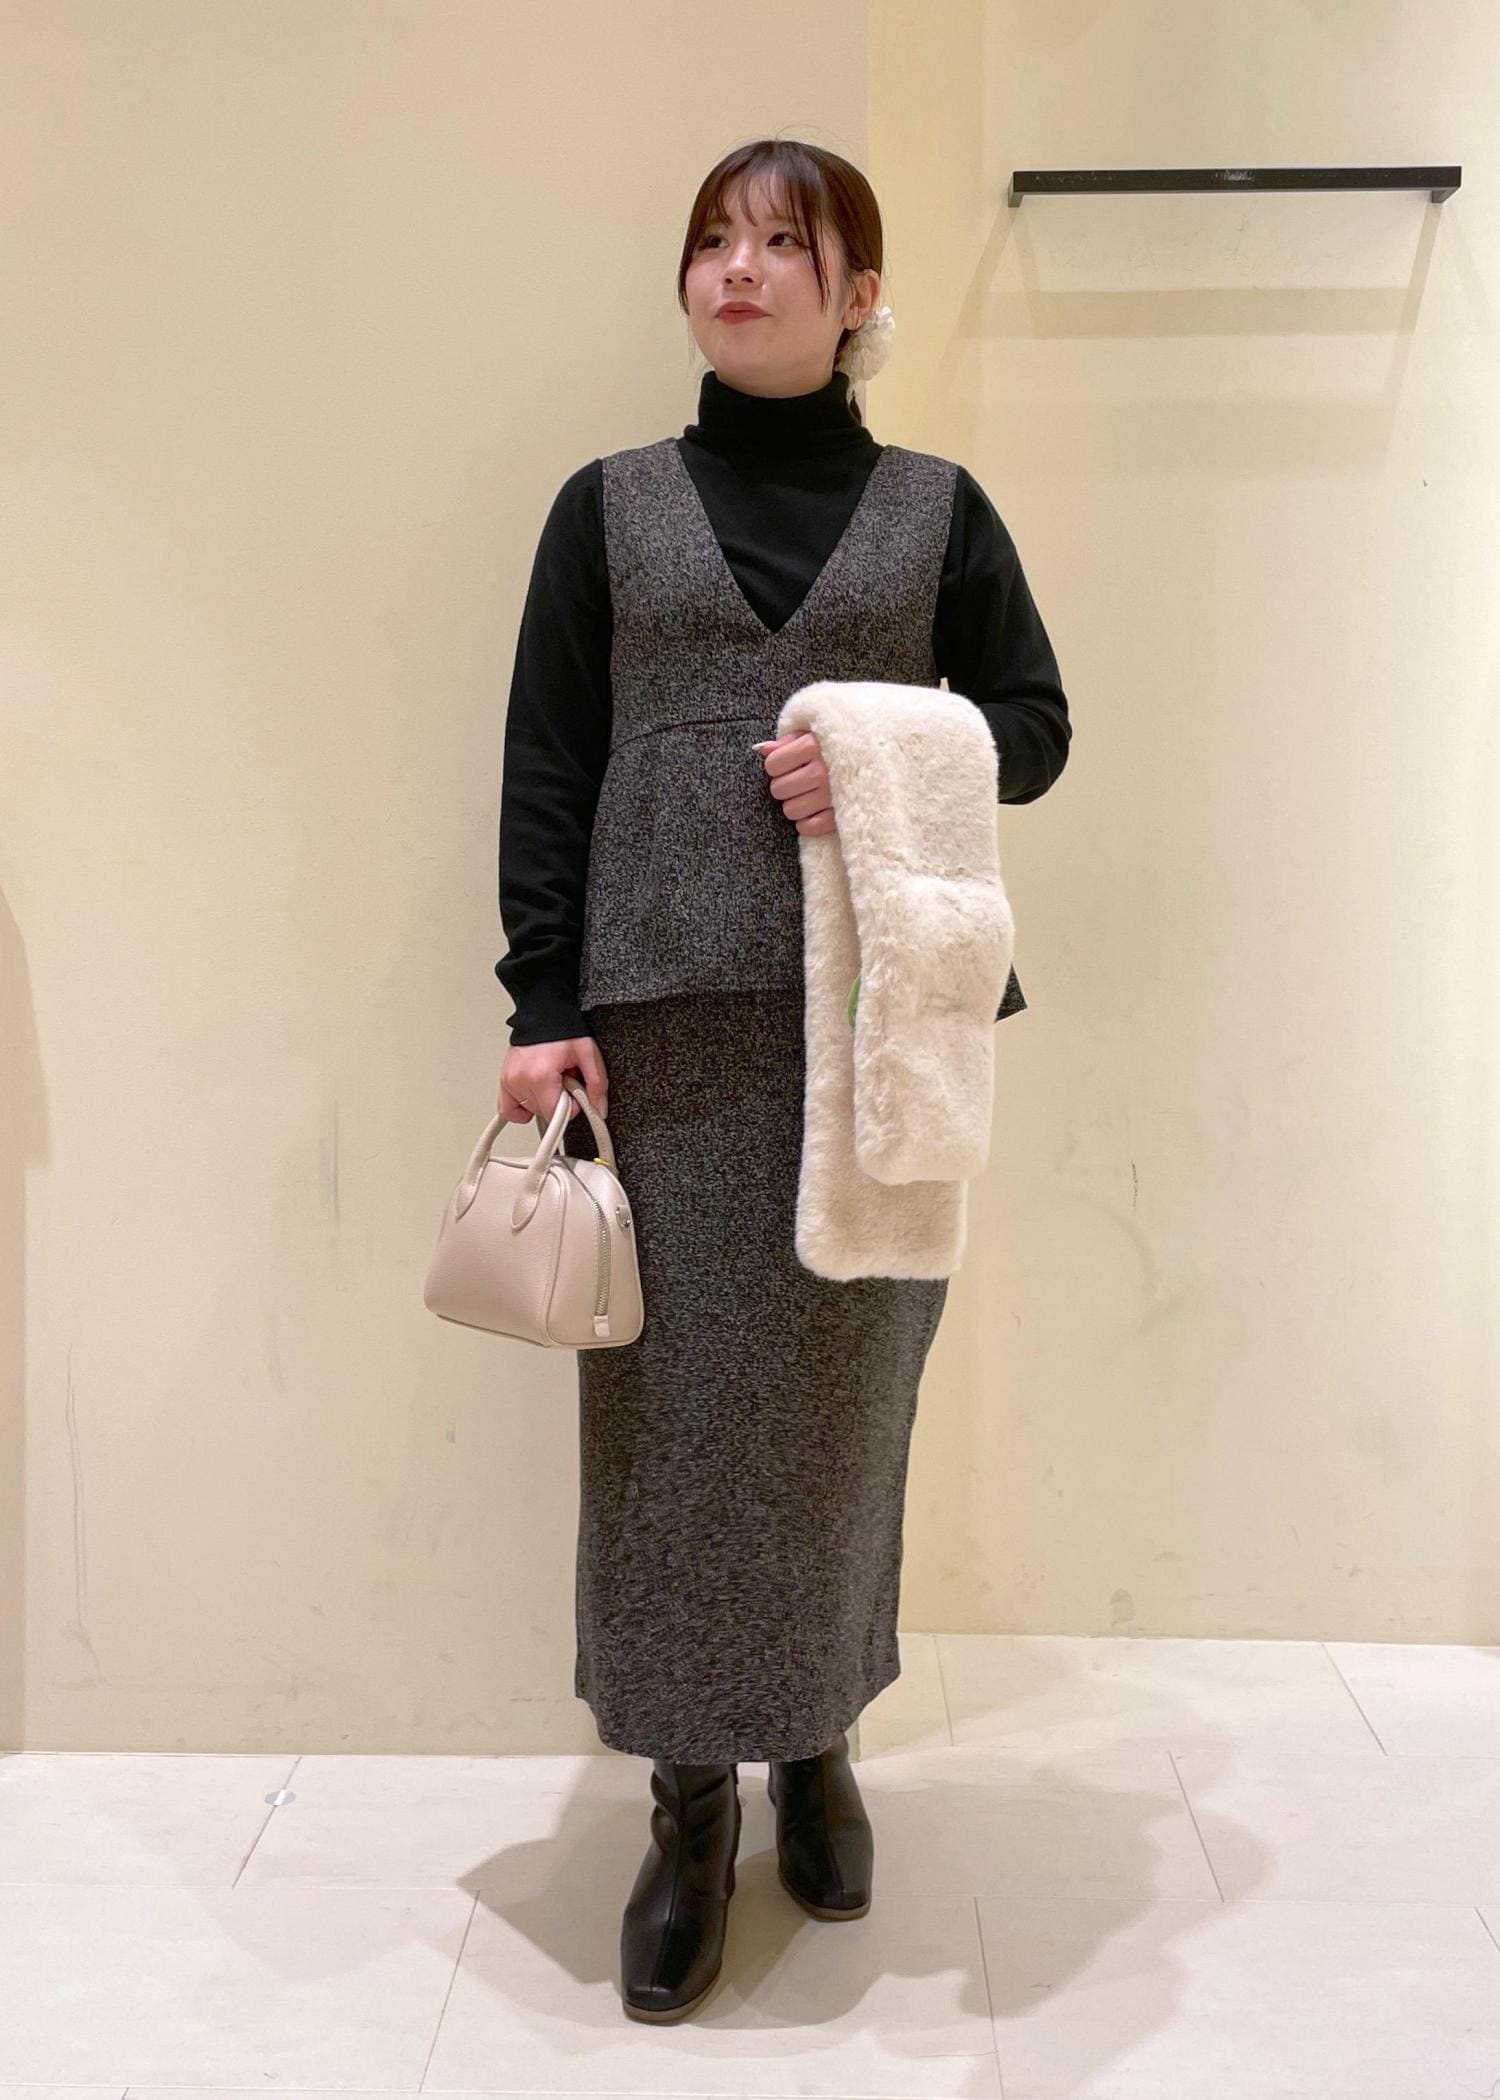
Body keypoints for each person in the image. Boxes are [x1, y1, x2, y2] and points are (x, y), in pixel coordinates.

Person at [492, 136, 1071, 2023]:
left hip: (879, 1031)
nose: (739, 270)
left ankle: (816, 1745)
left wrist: (891, 745)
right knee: (666, 1433)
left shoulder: (938, 511)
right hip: (666, 1027)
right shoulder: (606, 509)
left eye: (782, 244)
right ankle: (685, 1807)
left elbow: (1038, 728)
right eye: (714, 242)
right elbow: (550, 759)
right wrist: (539, 997)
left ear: (856, 294)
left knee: (840, 1421)